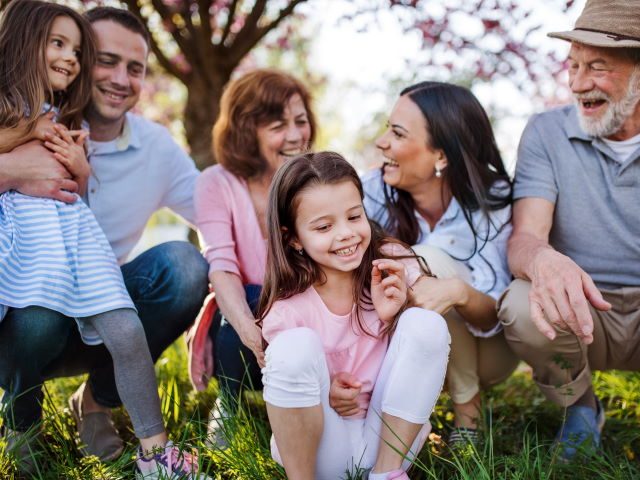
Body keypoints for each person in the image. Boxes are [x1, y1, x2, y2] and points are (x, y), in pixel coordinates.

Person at [0, 5, 209, 476]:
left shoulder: (147, 145)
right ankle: (21, 425)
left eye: (135, 68)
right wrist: (13, 168)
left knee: (184, 264)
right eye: (104, 59)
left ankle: (103, 408)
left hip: (87, 283)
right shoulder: (21, 115)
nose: (120, 78)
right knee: (37, 316)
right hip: (25, 310)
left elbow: (218, 212)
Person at [497, 0, 640, 461]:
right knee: (520, 304)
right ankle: (580, 408)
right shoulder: (545, 132)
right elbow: (524, 237)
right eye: (573, 65)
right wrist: (543, 259)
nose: (578, 84)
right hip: (582, 312)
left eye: (597, 67)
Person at [259, 151, 450, 480]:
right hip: (321, 449)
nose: (346, 233)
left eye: (354, 216)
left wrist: (400, 312)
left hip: (390, 439)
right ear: (293, 239)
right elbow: (294, 383)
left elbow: (424, 354)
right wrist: (328, 390)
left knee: (426, 322)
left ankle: (387, 476)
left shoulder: (389, 264)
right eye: (324, 226)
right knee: (293, 347)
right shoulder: (287, 310)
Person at [362, 81, 518, 445]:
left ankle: (468, 406)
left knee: (424, 260)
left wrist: (459, 292)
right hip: (408, 348)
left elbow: (493, 315)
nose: (382, 142)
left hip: (489, 353)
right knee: (404, 264)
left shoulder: (491, 203)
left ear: (442, 157)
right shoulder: (371, 192)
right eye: (387, 128)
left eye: (397, 133)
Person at [191, 69, 316, 444]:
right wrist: (250, 330)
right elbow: (222, 268)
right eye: (278, 125)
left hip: (309, 315)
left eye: (301, 121)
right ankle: (228, 403)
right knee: (250, 298)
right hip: (246, 319)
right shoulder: (216, 182)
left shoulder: (315, 179)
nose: (295, 136)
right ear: (248, 131)